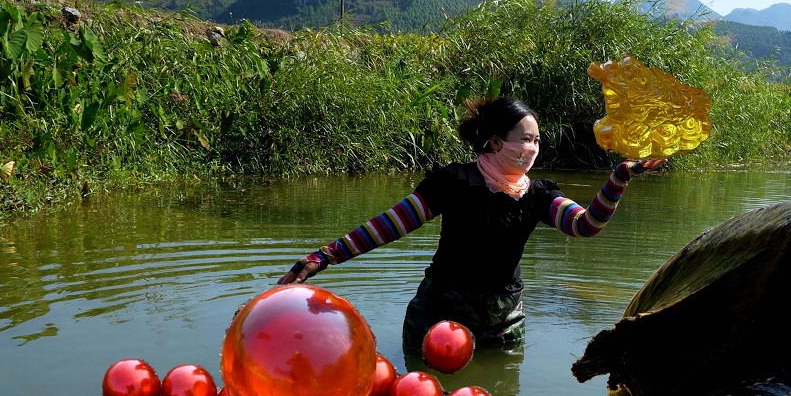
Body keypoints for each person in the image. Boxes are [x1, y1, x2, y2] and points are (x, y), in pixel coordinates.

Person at [278, 95, 665, 351]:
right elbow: (388, 226)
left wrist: (619, 178)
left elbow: (586, 225)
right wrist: (322, 256)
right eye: (524, 139)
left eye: (537, 141)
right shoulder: (455, 183)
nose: (532, 149)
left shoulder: (537, 195)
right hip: (437, 318)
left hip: (503, 324)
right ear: (496, 142)